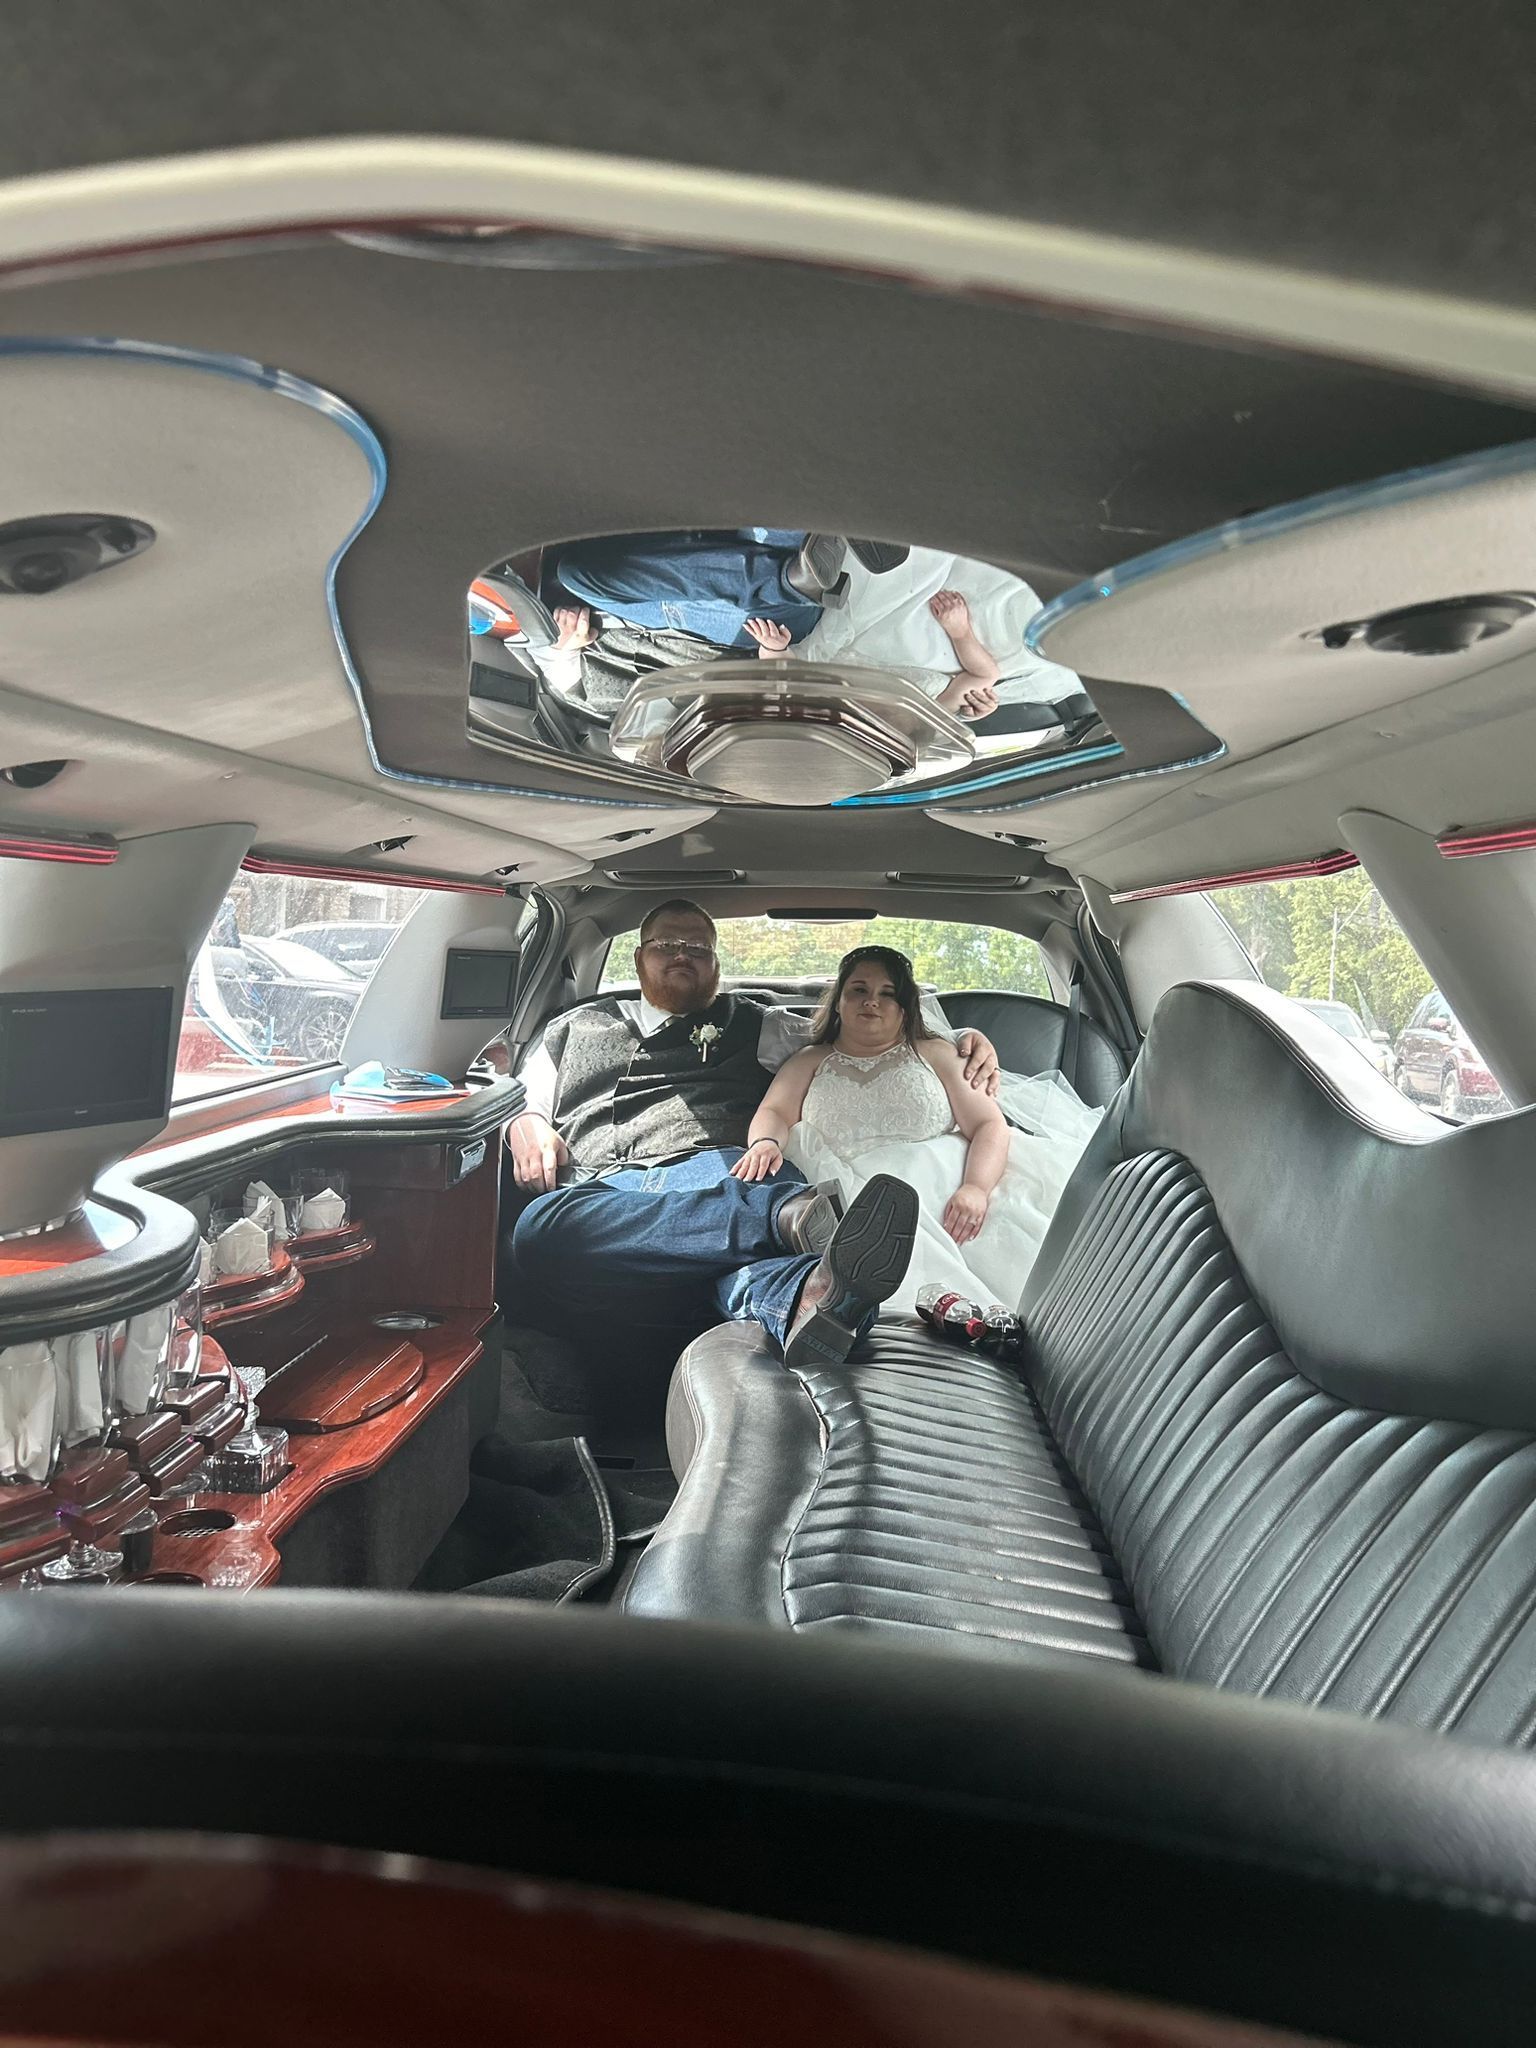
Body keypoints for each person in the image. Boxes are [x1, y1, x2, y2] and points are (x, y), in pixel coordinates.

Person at [506, 901, 1001, 1369]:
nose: (683, 955)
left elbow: (858, 1040)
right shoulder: (569, 1028)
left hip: (726, 1171)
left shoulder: (759, 1023)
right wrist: (523, 1126)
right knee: (540, 1228)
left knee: (733, 1253)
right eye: (667, 944)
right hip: (612, 1188)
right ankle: (796, 1247)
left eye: (698, 948)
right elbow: (518, 1100)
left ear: (716, 964)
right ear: (639, 957)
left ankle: (815, 1294)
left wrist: (963, 1042)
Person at [735, 944, 1101, 1315]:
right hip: (853, 1203)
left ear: (905, 1007)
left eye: (887, 994)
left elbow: (989, 1124)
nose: (871, 1002)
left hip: (954, 1191)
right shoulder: (809, 1060)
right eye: (859, 990)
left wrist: (976, 1188)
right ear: (839, 1002)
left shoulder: (935, 1053)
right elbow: (776, 1112)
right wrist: (765, 1142)